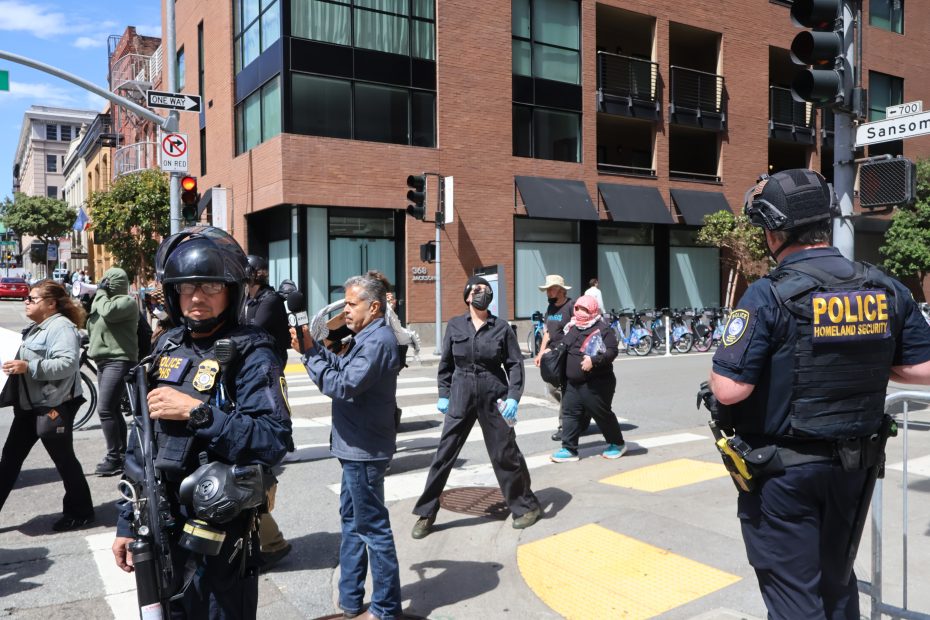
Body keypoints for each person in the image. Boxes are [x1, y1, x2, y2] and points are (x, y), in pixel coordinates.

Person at [707, 169, 930, 619]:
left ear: (774, 232)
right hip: (855, 468)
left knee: (794, 596)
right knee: (838, 581)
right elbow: (921, 368)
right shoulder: (884, 287)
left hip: (784, 474)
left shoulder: (767, 295)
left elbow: (730, 390)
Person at [111, 227, 293, 619]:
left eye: (210, 286)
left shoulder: (253, 352)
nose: (197, 297)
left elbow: (274, 439)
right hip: (161, 526)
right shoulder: (167, 345)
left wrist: (197, 412)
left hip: (220, 535)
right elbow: (142, 439)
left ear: (231, 290)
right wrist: (126, 522)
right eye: (186, 287)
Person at [290, 274, 402, 620]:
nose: (346, 310)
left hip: (364, 449)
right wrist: (311, 348)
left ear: (374, 306)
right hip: (354, 445)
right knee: (353, 522)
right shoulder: (365, 337)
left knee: (372, 528)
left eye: (352, 304)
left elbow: (343, 385)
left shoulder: (378, 341)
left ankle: (384, 609)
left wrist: (309, 355)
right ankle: (351, 599)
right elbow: (343, 367)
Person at [411, 276, 541, 539]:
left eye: (487, 290)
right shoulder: (456, 325)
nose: (484, 293)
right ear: (468, 296)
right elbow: (445, 364)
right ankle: (426, 512)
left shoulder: (501, 327)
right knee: (445, 453)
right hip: (461, 393)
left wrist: (514, 396)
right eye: (478, 289)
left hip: (494, 394)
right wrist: (444, 393)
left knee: (504, 452)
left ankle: (525, 506)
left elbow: (515, 364)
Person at [0, 280, 95, 531]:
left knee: (64, 460)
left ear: (51, 304)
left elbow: (67, 364)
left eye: (32, 298)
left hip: (54, 404)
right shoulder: (37, 327)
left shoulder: (61, 327)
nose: (26, 302)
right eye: (27, 298)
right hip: (30, 406)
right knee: (9, 460)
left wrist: (29, 367)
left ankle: (81, 512)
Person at [240, 254, 292, 570]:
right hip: (251, 369)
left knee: (255, 460)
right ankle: (268, 541)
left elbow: (251, 327)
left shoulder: (269, 299)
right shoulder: (248, 298)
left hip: (268, 368)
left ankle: (271, 543)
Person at [550, 294, 627, 462]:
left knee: (601, 413)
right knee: (570, 413)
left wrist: (594, 360)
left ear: (593, 310)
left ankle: (617, 444)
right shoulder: (573, 327)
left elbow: (612, 351)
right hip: (572, 383)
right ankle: (569, 449)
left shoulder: (602, 328)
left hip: (596, 382)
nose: (579, 311)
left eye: (584, 309)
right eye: (577, 308)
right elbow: (563, 346)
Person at [86, 266, 139, 477]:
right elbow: (94, 323)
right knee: (114, 409)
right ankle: (122, 455)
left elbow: (108, 312)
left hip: (119, 360)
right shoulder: (104, 300)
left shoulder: (126, 302)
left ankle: (114, 457)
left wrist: (100, 292)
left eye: (105, 281)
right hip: (104, 361)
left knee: (105, 409)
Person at [533, 274, 573, 441]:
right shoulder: (550, 309)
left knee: (565, 388)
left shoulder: (571, 306)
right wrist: (541, 352)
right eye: (547, 289)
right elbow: (548, 332)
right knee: (552, 387)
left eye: (551, 289)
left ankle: (564, 426)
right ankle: (578, 412)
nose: (548, 292)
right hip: (552, 354)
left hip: (566, 353)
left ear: (561, 290)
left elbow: (576, 330)